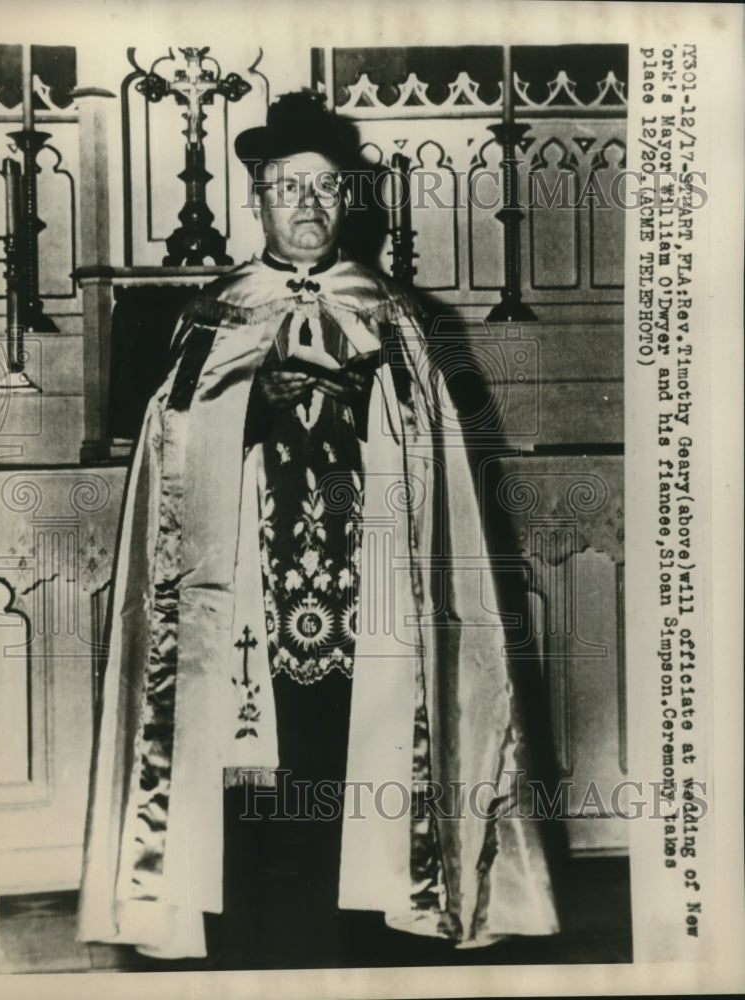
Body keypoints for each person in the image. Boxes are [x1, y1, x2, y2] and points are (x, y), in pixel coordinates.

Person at [76, 91, 559, 965]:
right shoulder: (213, 318)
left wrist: (353, 409)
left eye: (327, 189)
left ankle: (371, 917)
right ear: (256, 197)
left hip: (371, 595)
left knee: (361, 747)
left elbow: (431, 465)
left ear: (350, 200)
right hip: (247, 597)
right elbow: (173, 451)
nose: (308, 206)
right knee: (251, 761)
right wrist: (258, 407)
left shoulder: (401, 319)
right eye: (288, 187)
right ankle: (243, 920)